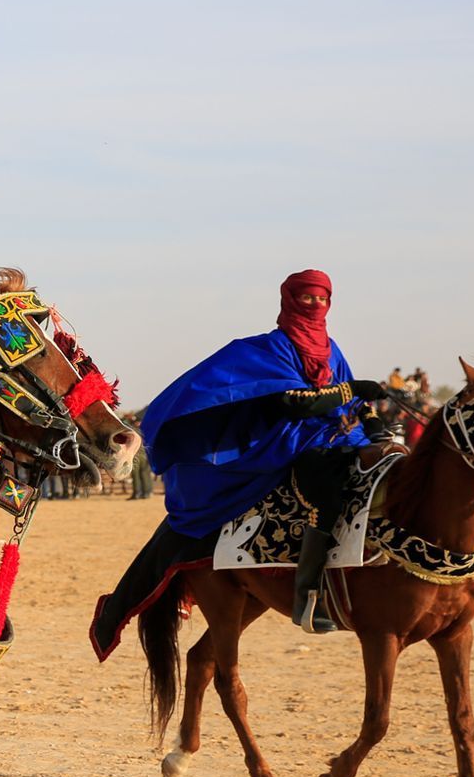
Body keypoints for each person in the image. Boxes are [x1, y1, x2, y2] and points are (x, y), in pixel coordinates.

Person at [138, 269, 388, 633]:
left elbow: (351, 396)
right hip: (289, 437)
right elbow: (294, 403)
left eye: (323, 299)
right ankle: (308, 596)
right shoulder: (272, 348)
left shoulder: (332, 350)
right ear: (289, 300)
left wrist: (373, 420)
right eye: (308, 298)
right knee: (326, 488)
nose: (316, 305)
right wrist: (352, 391)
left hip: (337, 434)